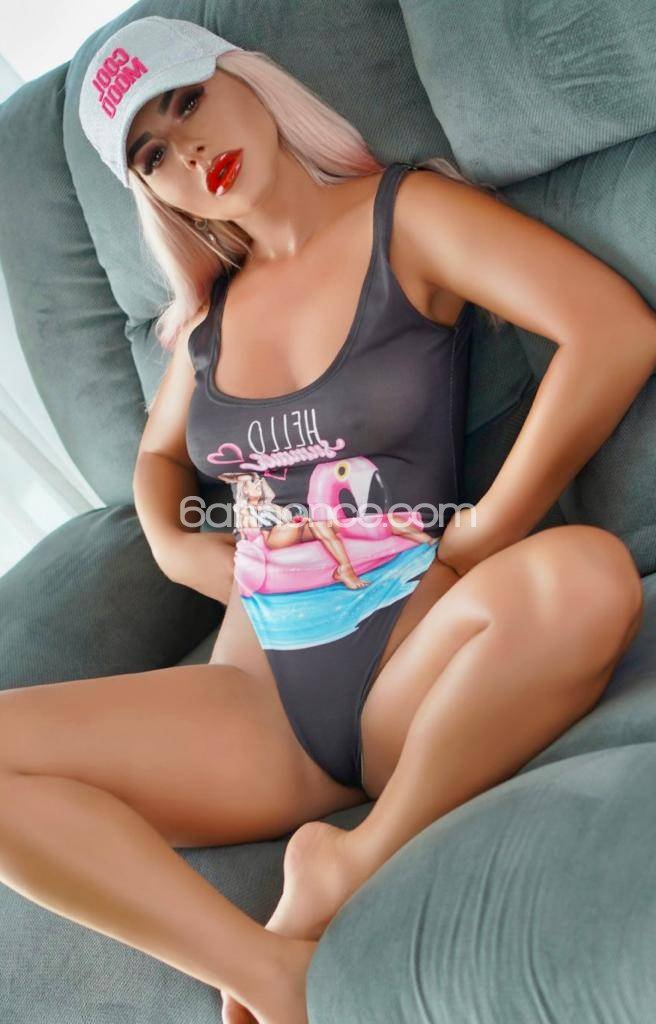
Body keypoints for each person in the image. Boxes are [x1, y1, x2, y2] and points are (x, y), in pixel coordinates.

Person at [1, 14, 651, 1024]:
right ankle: (266, 972)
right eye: (152, 155)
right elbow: (158, 459)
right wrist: (177, 546)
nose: (190, 151)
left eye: (189, 101)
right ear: (150, 192)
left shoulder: (404, 216)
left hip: (411, 663)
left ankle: (352, 857)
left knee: (586, 577)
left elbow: (609, 331)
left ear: (247, 80)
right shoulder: (211, 318)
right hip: (254, 703)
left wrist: (484, 530)